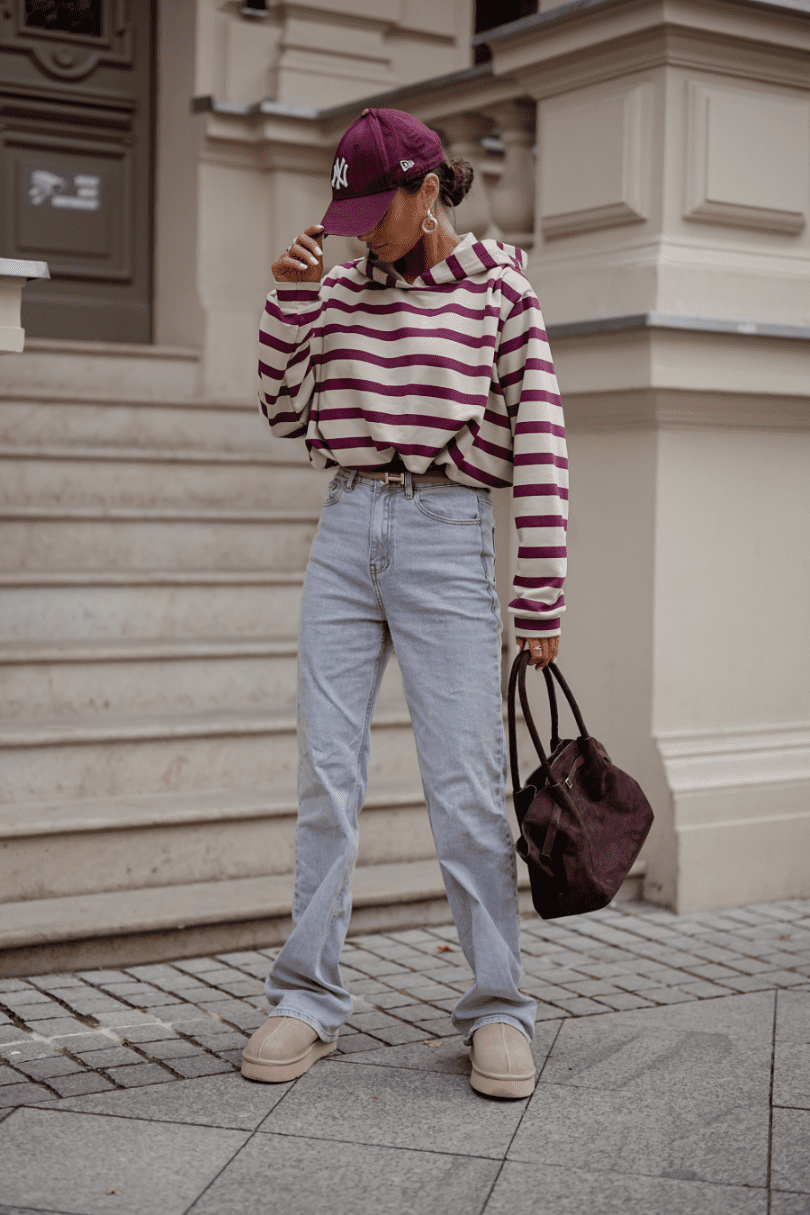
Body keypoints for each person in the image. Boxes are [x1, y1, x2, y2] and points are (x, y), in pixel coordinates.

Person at [241, 108, 568, 1100]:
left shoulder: (501, 290)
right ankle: (306, 997)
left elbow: (541, 443)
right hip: (346, 529)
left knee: (466, 788)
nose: (359, 237)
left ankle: (498, 1004)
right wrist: (290, 301)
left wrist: (540, 592)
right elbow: (283, 410)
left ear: (429, 193)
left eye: (374, 214)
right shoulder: (338, 289)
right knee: (325, 779)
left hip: (446, 535)